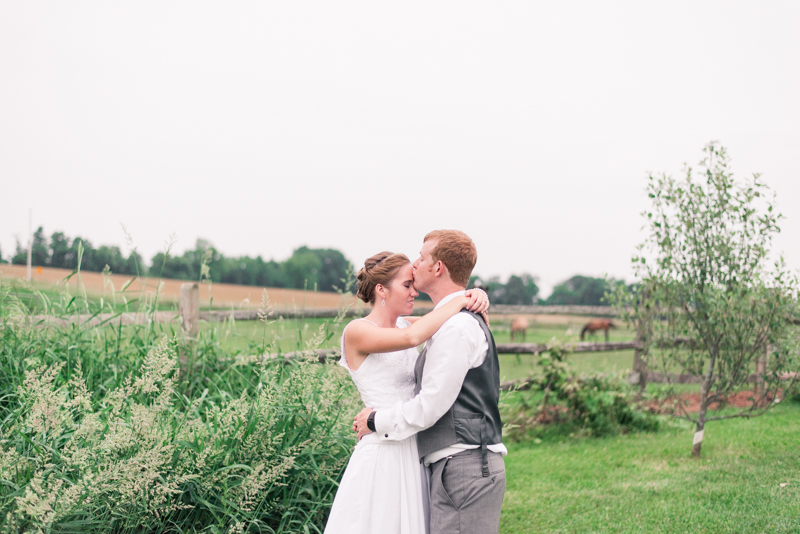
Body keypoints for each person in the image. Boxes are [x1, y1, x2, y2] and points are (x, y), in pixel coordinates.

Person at [324, 250, 490, 534]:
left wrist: (475, 296)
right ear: (381, 290)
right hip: (383, 450)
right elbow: (413, 338)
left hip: (415, 445)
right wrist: (462, 299)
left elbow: (444, 321)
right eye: (407, 285)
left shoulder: (405, 323)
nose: (415, 292)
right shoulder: (357, 331)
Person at [355, 230, 506, 534]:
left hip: (464, 463)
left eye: (422, 257)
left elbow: (429, 406)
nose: (415, 263)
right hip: (437, 461)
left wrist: (375, 420)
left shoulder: (457, 327)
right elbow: (414, 329)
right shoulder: (444, 321)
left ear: (438, 268)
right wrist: (471, 295)